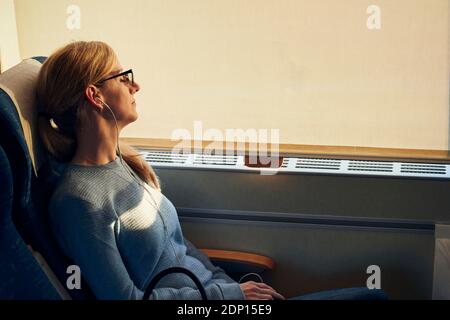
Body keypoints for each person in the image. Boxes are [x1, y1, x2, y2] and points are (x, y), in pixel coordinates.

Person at [36, 41, 386, 300]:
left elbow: (181, 249)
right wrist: (230, 296)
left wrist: (234, 288)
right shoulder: (78, 201)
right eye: (123, 77)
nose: (135, 86)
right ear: (95, 96)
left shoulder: (124, 165)